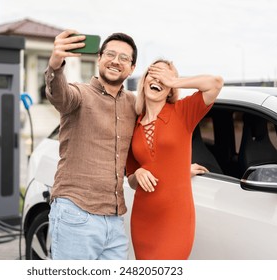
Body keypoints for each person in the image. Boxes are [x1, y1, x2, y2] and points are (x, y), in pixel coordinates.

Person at [44, 29, 138, 260]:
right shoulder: (80, 94)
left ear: (132, 68)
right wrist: (56, 63)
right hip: (76, 213)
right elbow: (60, 95)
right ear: (99, 58)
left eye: (124, 58)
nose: (116, 61)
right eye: (110, 54)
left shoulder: (133, 104)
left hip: (114, 221)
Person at [126, 59, 223, 260]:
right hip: (143, 218)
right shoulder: (133, 125)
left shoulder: (183, 112)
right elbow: (131, 180)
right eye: (154, 74)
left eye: (165, 76)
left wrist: (173, 81)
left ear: (170, 89)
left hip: (176, 219)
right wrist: (138, 173)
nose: (158, 79)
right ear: (144, 82)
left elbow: (216, 82)